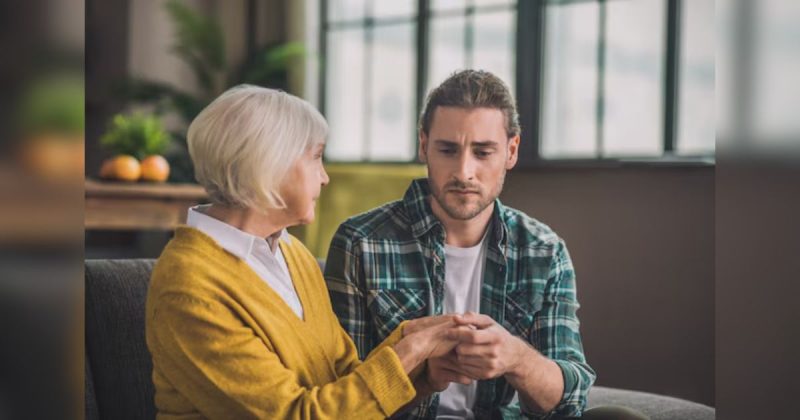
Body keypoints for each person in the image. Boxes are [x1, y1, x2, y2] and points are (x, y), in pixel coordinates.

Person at [325, 70, 647, 419]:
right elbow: (345, 399)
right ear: (423, 146)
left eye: (482, 152)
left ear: (511, 151)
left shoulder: (544, 252)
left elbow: (568, 402)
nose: (464, 172)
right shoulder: (361, 243)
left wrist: (516, 358)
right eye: (448, 150)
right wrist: (424, 377)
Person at [145, 85, 471, 419]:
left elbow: (344, 382)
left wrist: (422, 372)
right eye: (316, 157)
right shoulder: (189, 287)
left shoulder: (292, 252)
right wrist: (409, 352)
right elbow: (295, 414)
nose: (325, 177)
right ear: (269, 164)